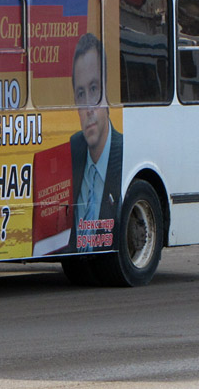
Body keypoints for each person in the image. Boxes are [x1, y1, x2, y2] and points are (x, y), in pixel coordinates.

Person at [69, 33, 123, 253]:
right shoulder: (72, 150)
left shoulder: (125, 154)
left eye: (94, 89)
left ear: (107, 91)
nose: (89, 107)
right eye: (81, 94)